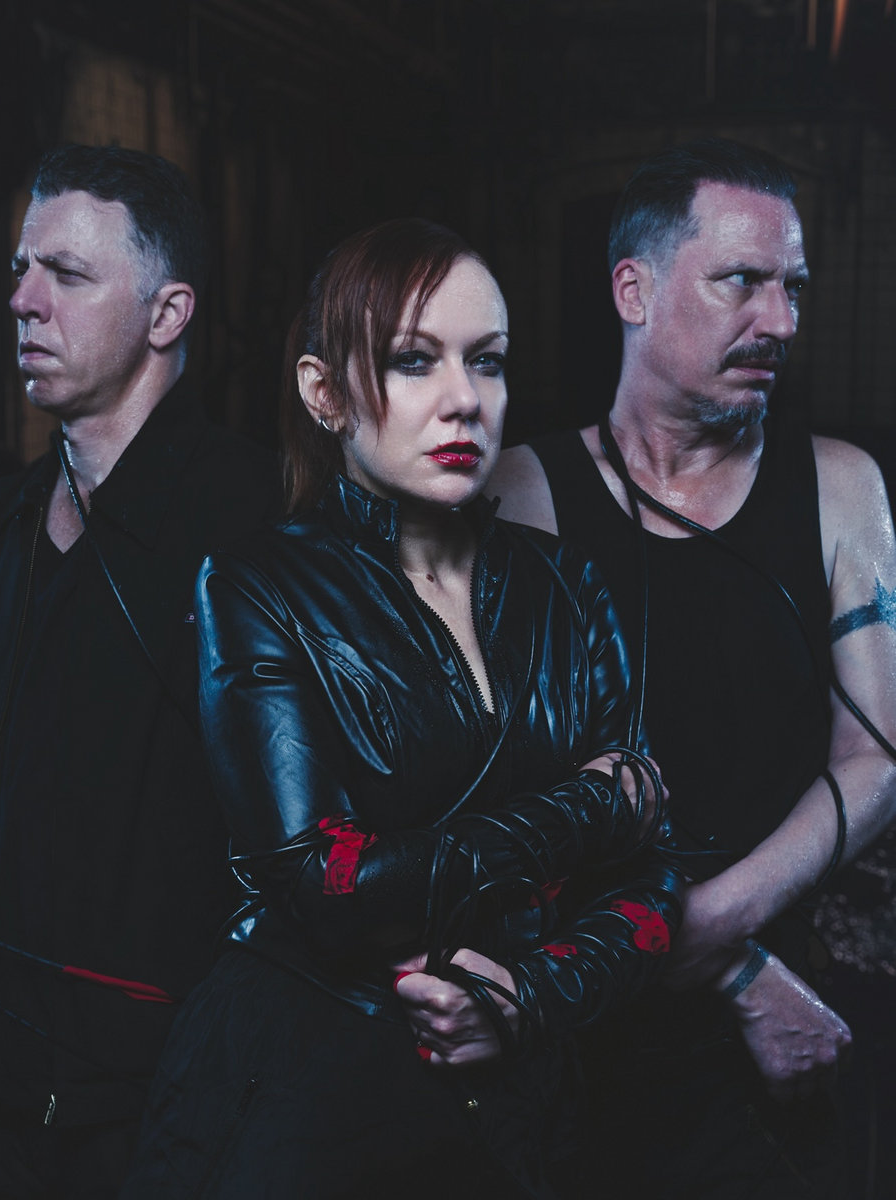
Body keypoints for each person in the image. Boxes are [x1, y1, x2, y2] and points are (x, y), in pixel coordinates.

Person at [122, 218, 684, 1200]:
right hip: (309, 1105)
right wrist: (590, 807)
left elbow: (656, 874)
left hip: (518, 1110)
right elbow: (325, 886)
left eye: (487, 361)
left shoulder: (565, 587)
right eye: (414, 361)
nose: (464, 397)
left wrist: (529, 995)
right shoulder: (257, 588)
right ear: (324, 393)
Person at [488, 137, 896, 1198]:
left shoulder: (838, 488)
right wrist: (720, 969)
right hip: (577, 1035)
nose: (780, 321)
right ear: (632, 290)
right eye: (741, 282)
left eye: (792, 288)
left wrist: (715, 934)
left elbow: (875, 758)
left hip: (788, 1027)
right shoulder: (519, 494)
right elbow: (500, 792)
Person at [0, 144, 279, 1198]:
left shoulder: (259, 529)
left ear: (167, 314)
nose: (22, 301)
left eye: (66, 275)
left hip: (168, 1125)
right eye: (21, 269)